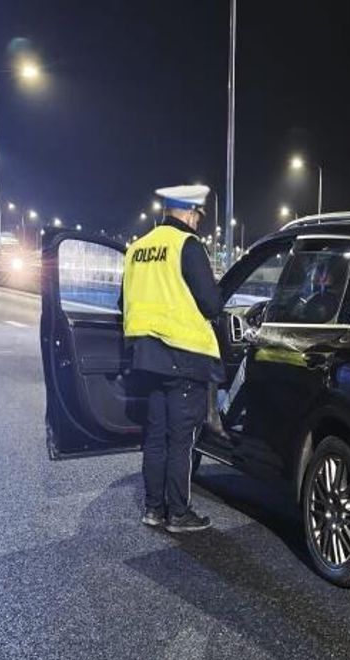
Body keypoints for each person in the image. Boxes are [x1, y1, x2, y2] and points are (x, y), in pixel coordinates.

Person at [122, 184, 225, 533]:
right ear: (189, 212)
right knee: (181, 439)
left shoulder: (137, 248)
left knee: (155, 436)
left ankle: (154, 509)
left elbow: (125, 304)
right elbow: (211, 304)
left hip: (146, 359)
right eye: (197, 215)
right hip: (183, 357)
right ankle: (179, 514)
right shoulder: (187, 245)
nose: (198, 221)